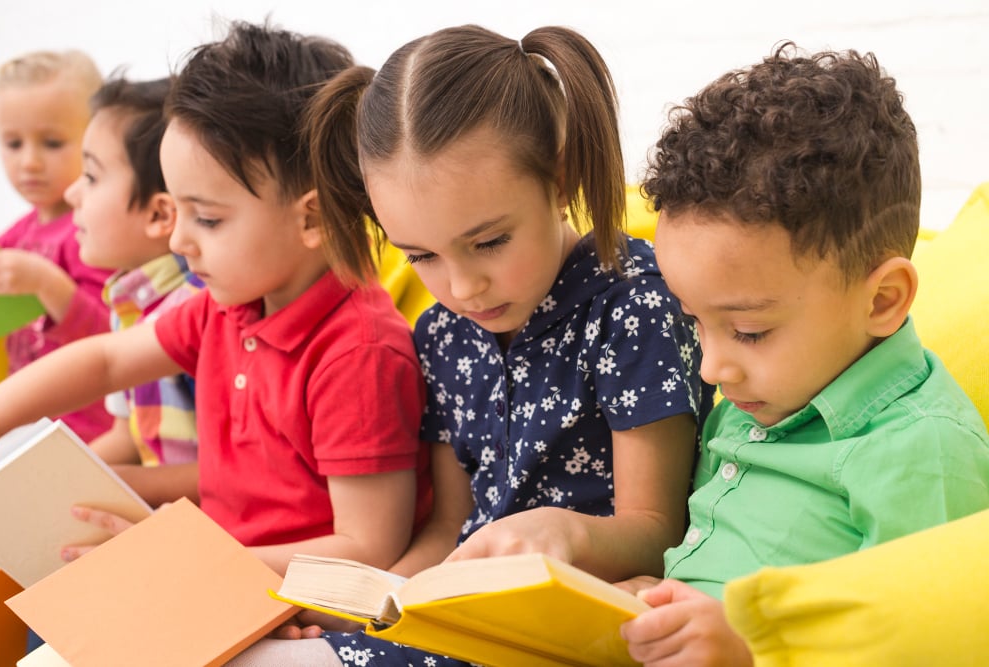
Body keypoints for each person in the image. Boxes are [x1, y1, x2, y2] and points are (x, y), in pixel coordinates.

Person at [231, 24, 713, 667]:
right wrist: (372, 607)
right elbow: (447, 529)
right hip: (461, 624)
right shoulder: (441, 333)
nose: (462, 286)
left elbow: (657, 532)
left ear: (560, 176)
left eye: (488, 242)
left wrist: (563, 533)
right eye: (421, 255)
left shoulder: (635, 308)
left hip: (571, 627)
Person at [0, 20, 430, 583]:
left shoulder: (358, 353)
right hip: (221, 578)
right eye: (178, 210)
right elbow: (107, 360)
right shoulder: (227, 307)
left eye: (208, 218)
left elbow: (368, 551)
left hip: (296, 604)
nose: (177, 241)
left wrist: (185, 565)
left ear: (311, 217)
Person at [618, 43, 989, 666]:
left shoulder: (923, 452)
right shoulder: (757, 396)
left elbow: (933, 646)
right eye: (696, 324)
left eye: (750, 331)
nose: (711, 368)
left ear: (883, 300)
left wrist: (749, 651)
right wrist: (654, 604)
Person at [63, 75, 204, 506]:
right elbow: (126, 438)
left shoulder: (198, 307)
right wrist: (52, 484)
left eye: (90, 176)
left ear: (160, 214)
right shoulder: (126, 304)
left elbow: (233, 471)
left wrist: (117, 486)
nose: (71, 193)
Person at [0, 49, 113, 441]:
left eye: (52, 142)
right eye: (13, 143)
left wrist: (47, 283)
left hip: (85, 430)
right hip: (21, 422)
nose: (29, 162)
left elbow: (111, 337)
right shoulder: (15, 236)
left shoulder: (95, 232)